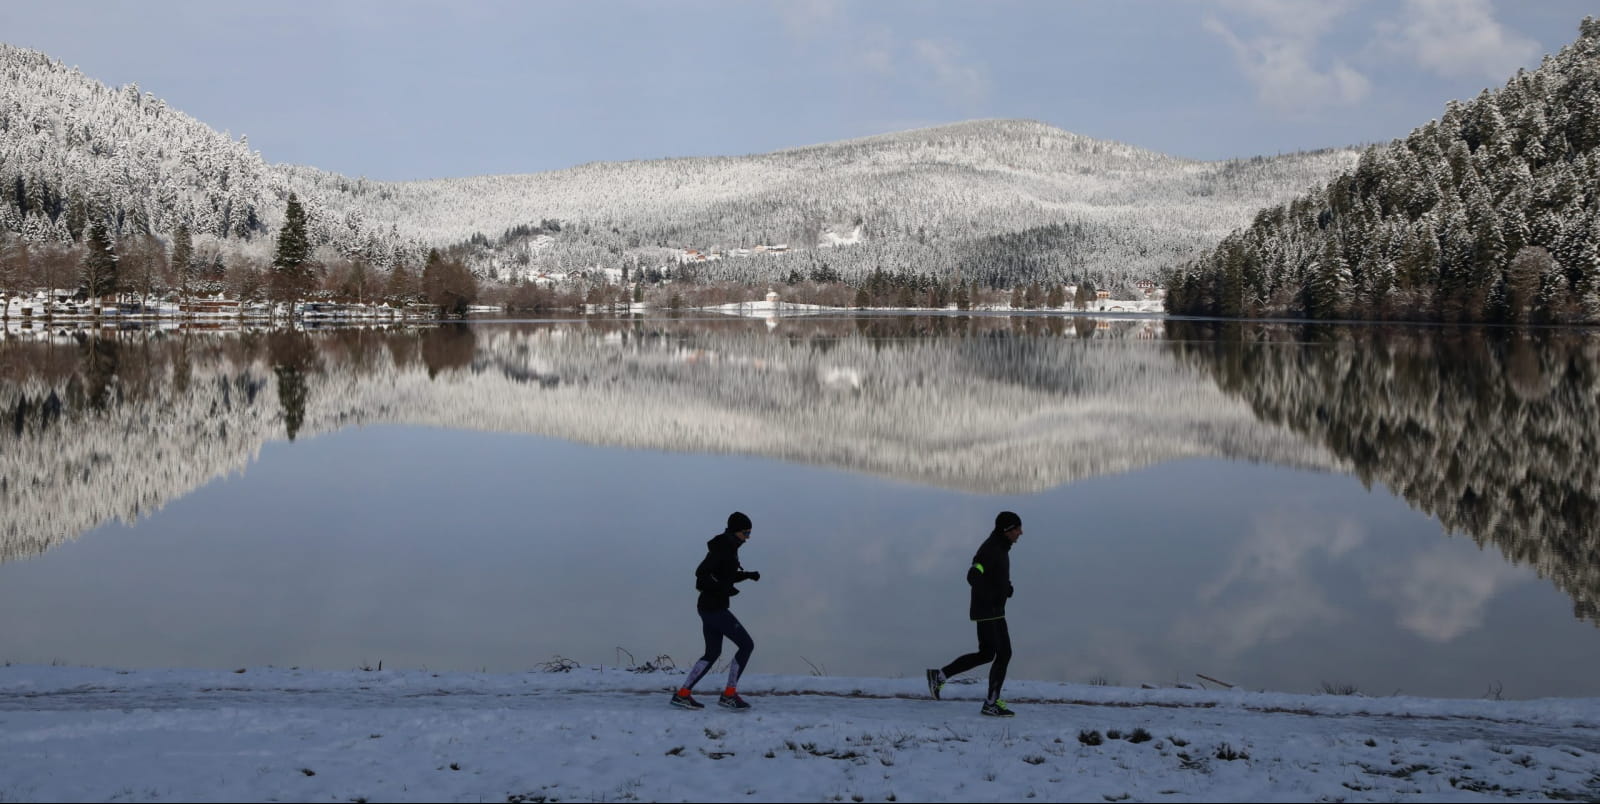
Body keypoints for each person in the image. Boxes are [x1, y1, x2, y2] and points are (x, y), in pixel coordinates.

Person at [926, 511, 1023, 717]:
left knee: (988, 654)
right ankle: (990, 703)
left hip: (994, 611)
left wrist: (1006, 588)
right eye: (1016, 529)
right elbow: (974, 574)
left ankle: (940, 676)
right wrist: (992, 595)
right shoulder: (991, 548)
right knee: (1002, 654)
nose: (1020, 533)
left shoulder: (1001, 547)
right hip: (988, 611)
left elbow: (993, 574)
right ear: (1006, 530)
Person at [670, 511, 761, 711]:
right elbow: (701, 574)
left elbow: (724, 575)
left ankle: (683, 694)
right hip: (715, 609)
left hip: (708, 607)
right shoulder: (723, 549)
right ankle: (729, 695)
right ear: (736, 531)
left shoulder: (729, 546)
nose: (747, 538)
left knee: (712, 652)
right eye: (745, 533)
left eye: (749, 533)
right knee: (746, 645)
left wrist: (746, 575)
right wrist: (721, 588)